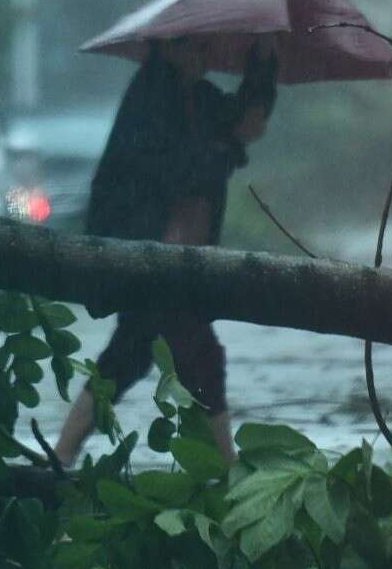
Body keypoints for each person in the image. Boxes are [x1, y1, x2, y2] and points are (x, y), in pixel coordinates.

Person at [51, 35, 279, 467]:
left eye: (205, 48)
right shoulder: (150, 97)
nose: (206, 56)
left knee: (129, 353)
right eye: (196, 48)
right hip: (147, 255)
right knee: (196, 354)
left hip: (180, 257)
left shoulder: (200, 95)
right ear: (170, 48)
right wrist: (219, 151)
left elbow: (243, 125)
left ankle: (61, 455)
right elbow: (165, 169)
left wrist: (261, 72)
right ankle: (226, 469)